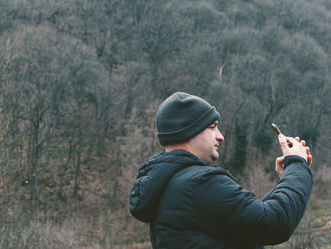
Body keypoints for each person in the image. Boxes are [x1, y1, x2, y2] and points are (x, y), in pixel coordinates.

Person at [129, 92, 313, 249]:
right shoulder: (200, 183)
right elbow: (274, 223)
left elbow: (245, 223)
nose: (221, 136)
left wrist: (287, 178)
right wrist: (297, 165)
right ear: (189, 131)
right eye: (212, 127)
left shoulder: (169, 184)